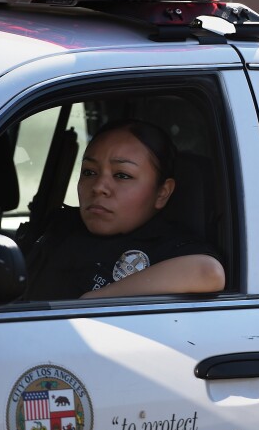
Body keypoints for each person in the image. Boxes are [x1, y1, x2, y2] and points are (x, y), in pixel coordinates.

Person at [23, 119, 225, 300]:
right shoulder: (60, 225)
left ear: (162, 193)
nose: (98, 187)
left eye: (122, 175)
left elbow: (208, 273)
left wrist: (90, 302)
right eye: (89, 172)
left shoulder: (171, 248)